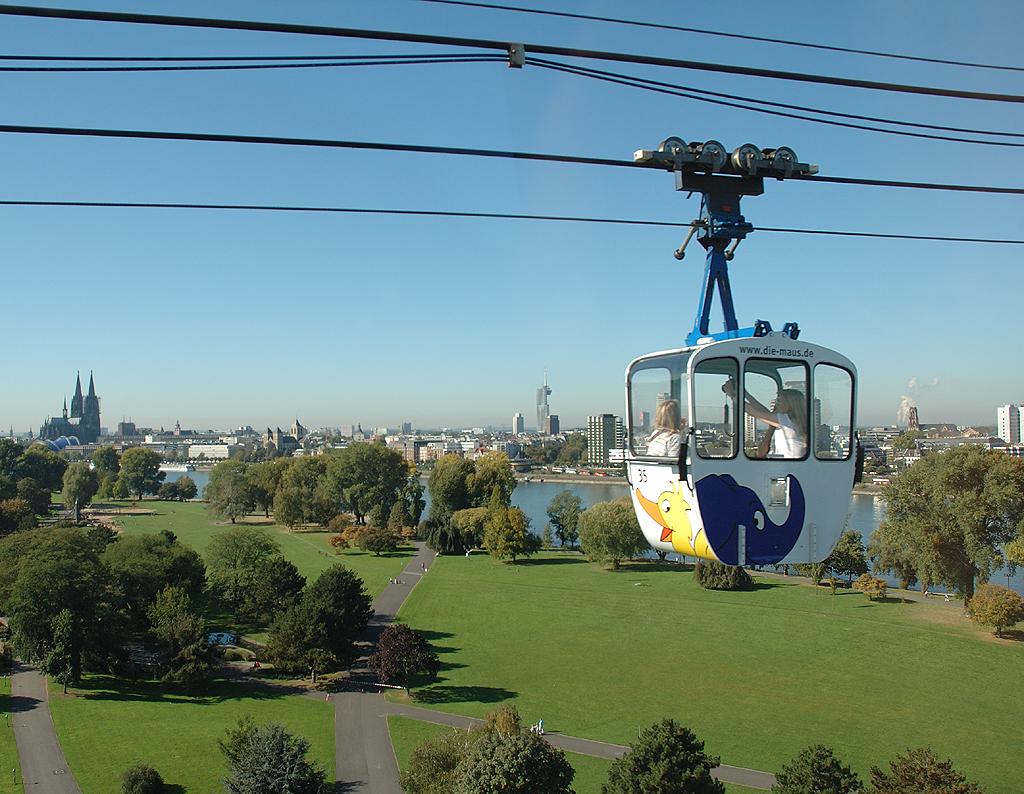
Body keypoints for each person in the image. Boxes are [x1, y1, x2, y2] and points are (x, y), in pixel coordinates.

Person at [724, 380, 807, 458]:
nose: (776, 405)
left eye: (779, 401)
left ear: (788, 405)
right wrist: (745, 394)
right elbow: (763, 412)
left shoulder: (786, 420)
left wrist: (732, 395)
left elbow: (753, 411)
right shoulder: (794, 421)